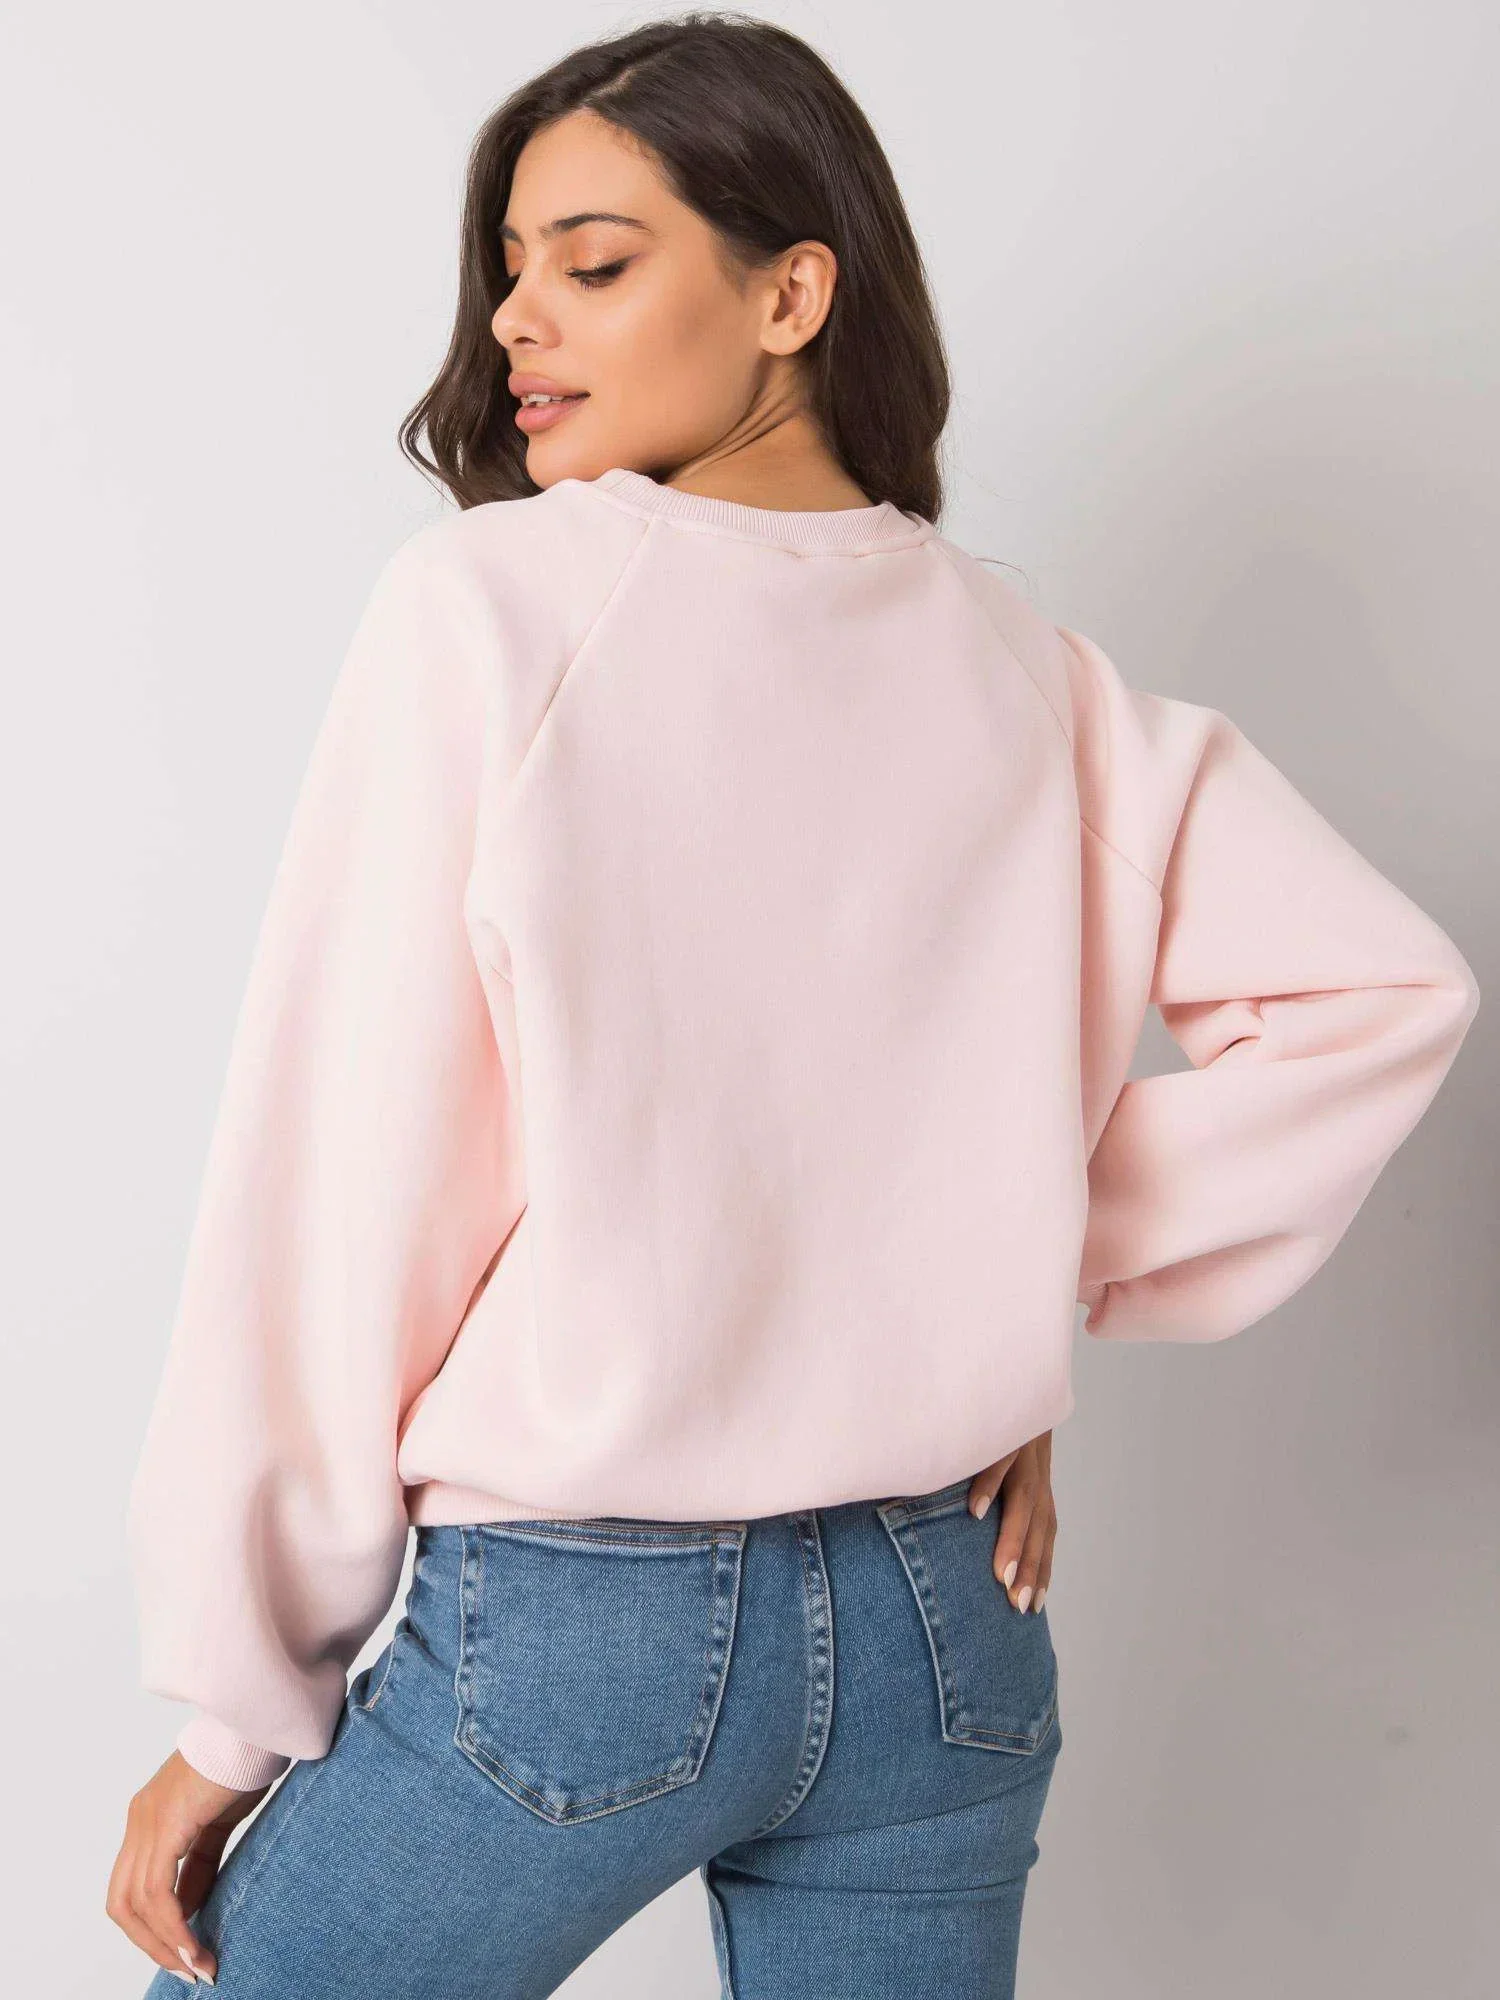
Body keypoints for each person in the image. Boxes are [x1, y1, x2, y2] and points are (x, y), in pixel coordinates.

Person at [108, 15, 1479, 1998]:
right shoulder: (1031, 671)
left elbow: (344, 1192)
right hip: (950, 1633)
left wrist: (235, 1715)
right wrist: (990, 1266)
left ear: (791, 293)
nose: (516, 319)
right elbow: (1381, 994)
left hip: (583, 1639)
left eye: (592, 261)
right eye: (508, 268)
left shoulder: (493, 611)